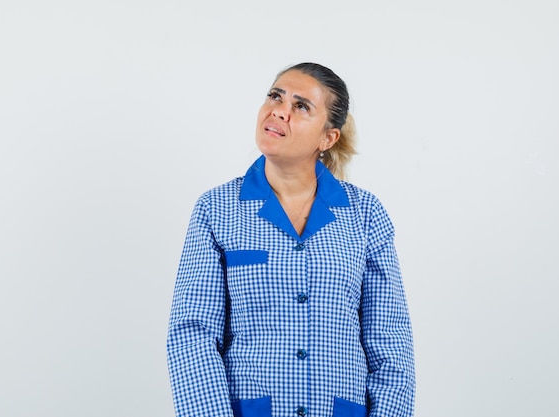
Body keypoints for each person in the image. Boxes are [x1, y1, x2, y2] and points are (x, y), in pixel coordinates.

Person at [167, 62, 415, 417]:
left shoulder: (365, 214)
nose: (279, 111)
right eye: (275, 96)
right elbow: (193, 335)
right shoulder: (216, 209)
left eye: (301, 106)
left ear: (327, 138)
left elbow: (390, 344)